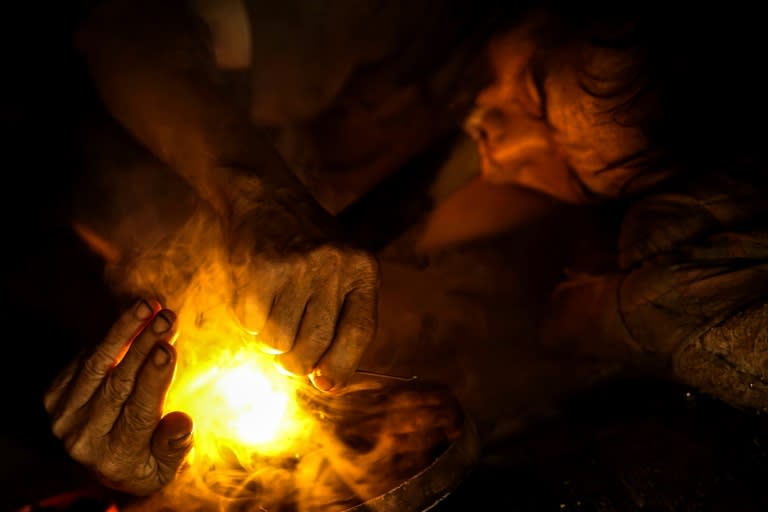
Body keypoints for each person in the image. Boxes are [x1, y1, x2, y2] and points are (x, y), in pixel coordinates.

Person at [45, 0, 768, 500]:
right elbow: (124, 27)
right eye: (537, 89)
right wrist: (258, 197)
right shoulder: (408, 21)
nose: (505, 141)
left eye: (576, 171)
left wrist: (176, 475)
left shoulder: (574, 272)